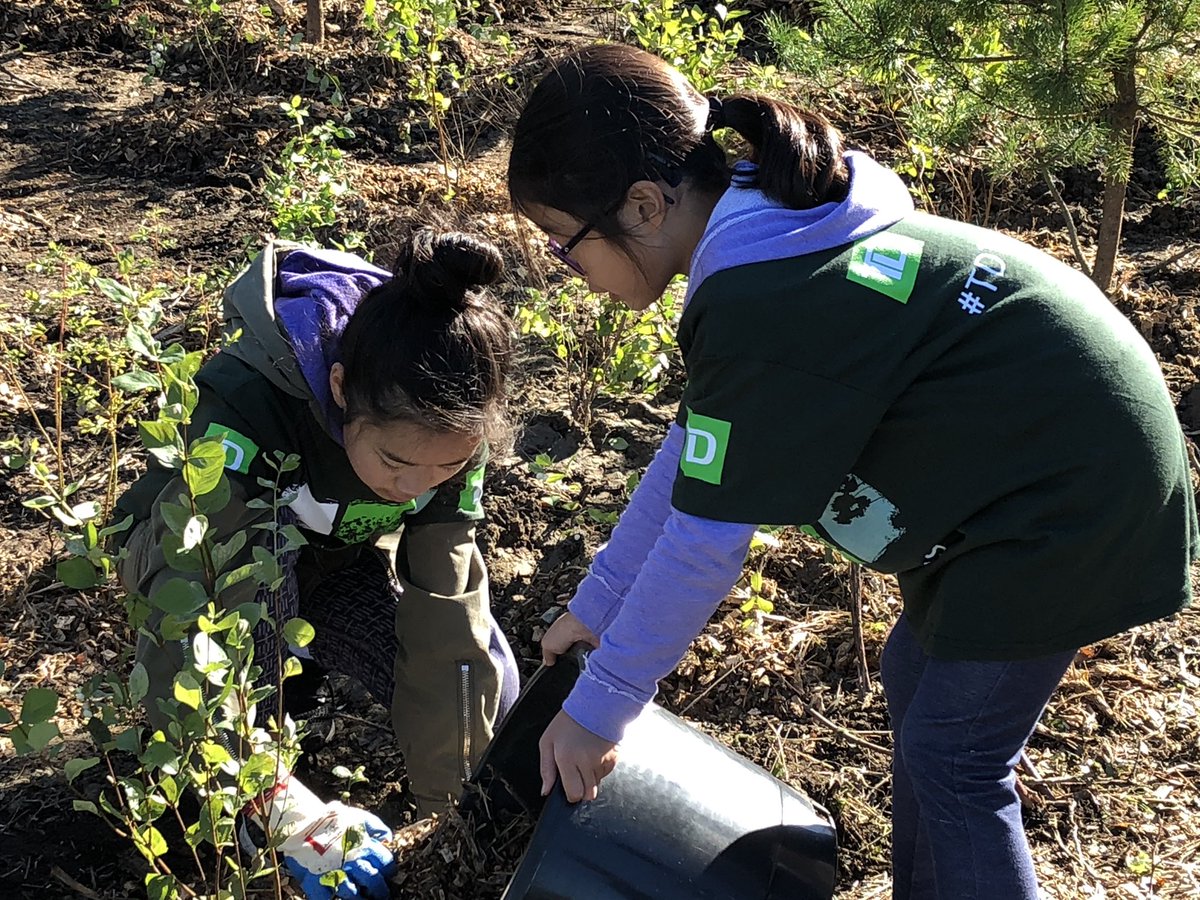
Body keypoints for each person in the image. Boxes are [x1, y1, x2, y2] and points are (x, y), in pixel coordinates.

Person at [505, 43, 1198, 900]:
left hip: (1071, 493)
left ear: (645, 204)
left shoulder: (765, 295)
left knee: (957, 758)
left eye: (564, 247)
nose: (569, 274)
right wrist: (598, 608)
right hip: (1037, 478)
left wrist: (602, 705)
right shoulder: (766, 237)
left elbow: (706, 543)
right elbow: (694, 459)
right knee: (919, 683)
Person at [114, 228, 520, 899]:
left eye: (442, 469)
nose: (414, 489)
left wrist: (450, 821)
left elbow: (450, 620)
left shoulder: (451, 433)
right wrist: (281, 807)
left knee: (489, 691)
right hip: (190, 565)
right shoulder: (248, 402)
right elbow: (191, 596)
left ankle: (293, 697)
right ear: (339, 389)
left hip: (329, 564)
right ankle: (230, 793)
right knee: (260, 575)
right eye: (393, 464)